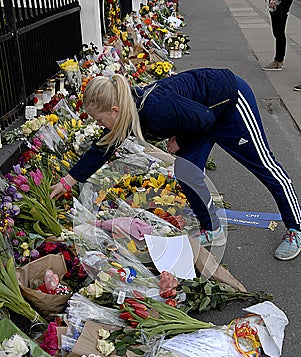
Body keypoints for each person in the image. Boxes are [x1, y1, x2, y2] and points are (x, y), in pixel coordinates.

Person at [50, 70, 301, 260]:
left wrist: (180, 139)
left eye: (99, 119)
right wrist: (68, 181)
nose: (100, 124)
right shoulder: (127, 112)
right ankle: (210, 228)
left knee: (263, 165)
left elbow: (205, 119)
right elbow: (103, 147)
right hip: (200, 119)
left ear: (114, 110)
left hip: (228, 105)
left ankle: (296, 228)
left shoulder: (155, 108)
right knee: (186, 172)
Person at [262, 0, 294, 71]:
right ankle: (278, 60)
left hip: (280, 3)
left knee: (279, 32)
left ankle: (278, 61)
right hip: (280, 3)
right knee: (277, 32)